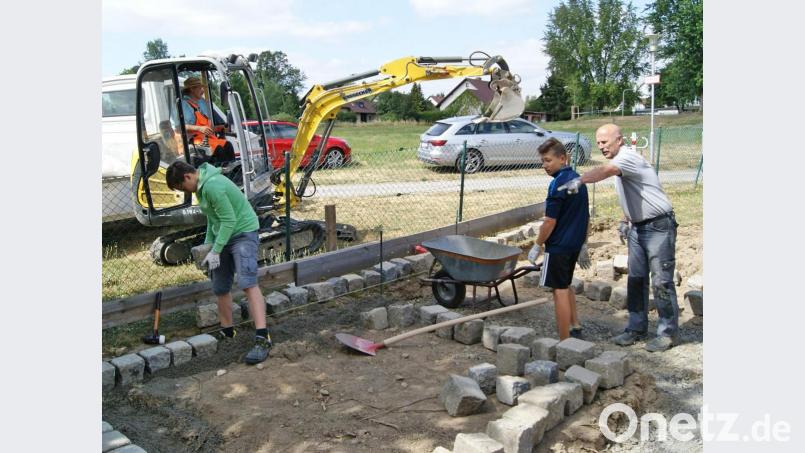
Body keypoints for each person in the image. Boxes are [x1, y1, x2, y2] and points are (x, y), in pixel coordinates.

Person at [559, 123, 679, 352]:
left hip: (658, 226)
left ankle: (667, 333)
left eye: (605, 142)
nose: (601, 147)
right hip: (638, 227)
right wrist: (626, 219)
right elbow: (634, 192)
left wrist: (580, 180)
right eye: (598, 143)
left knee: (662, 281)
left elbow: (604, 171)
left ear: (619, 140)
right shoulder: (619, 162)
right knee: (636, 279)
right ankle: (636, 329)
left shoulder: (627, 158)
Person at [165, 160, 272, 364]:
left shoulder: (213, 186)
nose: (184, 191)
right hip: (223, 235)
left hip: (243, 233)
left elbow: (229, 220)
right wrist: (208, 248)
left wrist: (216, 249)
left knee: (247, 283)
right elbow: (213, 220)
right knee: (220, 286)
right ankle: (228, 331)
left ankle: (262, 337)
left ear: (188, 177)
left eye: (181, 187)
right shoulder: (201, 189)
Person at [528, 138, 589, 340]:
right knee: (566, 283)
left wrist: (537, 245)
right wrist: (583, 243)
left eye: (548, 160)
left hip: (559, 246)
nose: (544, 165)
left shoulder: (557, 185)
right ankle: (575, 325)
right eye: (543, 161)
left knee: (559, 290)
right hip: (574, 244)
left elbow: (550, 222)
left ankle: (564, 340)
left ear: (562, 158)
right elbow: (585, 215)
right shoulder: (577, 179)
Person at [180, 77, 235, 166]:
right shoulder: (184, 105)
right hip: (195, 141)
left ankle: (233, 172)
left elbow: (206, 127)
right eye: (200, 88)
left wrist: (218, 128)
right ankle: (219, 175)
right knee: (218, 150)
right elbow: (180, 126)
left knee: (228, 145)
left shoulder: (198, 104)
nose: (202, 91)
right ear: (192, 89)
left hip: (208, 139)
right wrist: (199, 128)